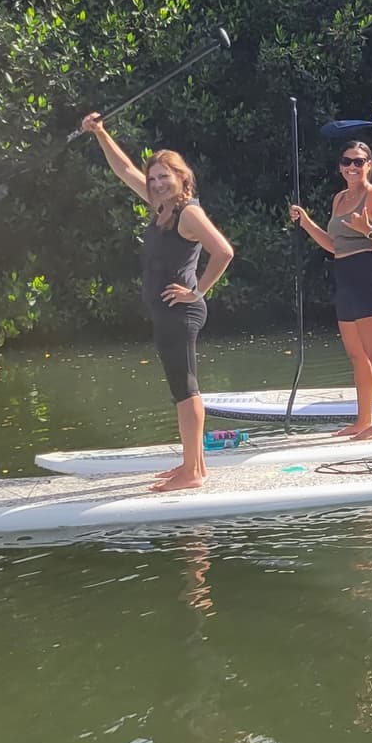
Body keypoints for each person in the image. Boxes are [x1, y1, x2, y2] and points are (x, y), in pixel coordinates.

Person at [80, 113, 235, 491]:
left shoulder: (188, 212)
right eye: (153, 179)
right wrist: (100, 133)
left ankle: (193, 472)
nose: (156, 184)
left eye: (164, 177)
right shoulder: (160, 207)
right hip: (166, 311)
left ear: (182, 177)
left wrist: (197, 290)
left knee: (186, 389)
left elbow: (224, 252)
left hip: (179, 310)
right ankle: (193, 464)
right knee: (182, 387)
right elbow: (125, 169)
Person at [290, 141, 372, 437]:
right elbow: (333, 244)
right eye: (347, 161)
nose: (352, 166)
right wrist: (306, 223)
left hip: (369, 278)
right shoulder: (339, 199)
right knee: (357, 356)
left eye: (359, 161)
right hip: (345, 281)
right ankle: (363, 419)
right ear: (340, 166)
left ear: (369, 165)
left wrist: (369, 230)